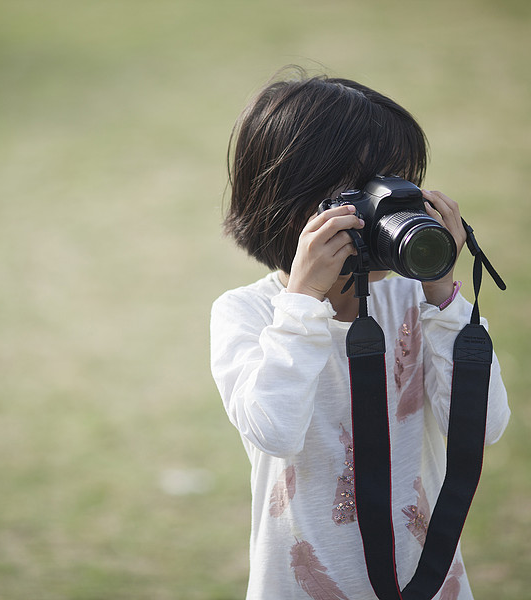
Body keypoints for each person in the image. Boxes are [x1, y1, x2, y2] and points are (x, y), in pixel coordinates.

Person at [210, 68, 511, 600]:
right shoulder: (251, 314)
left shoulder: (418, 302)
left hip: (428, 583)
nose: (385, 206)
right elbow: (275, 431)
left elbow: (482, 425)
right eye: (363, 190)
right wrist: (303, 304)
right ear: (289, 199)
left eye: (398, 182)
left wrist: (444, 297)